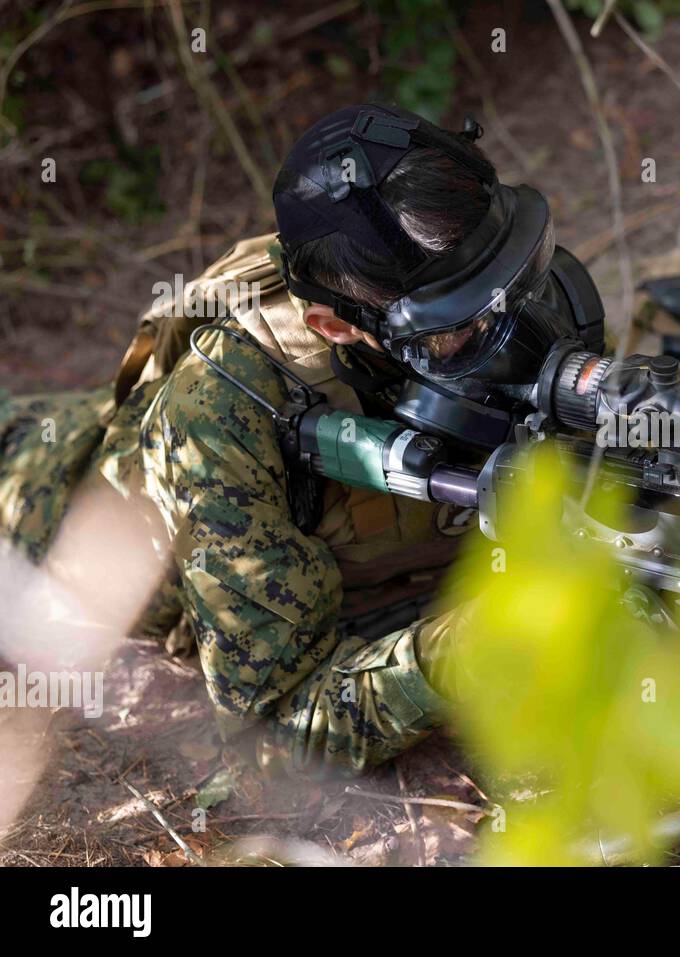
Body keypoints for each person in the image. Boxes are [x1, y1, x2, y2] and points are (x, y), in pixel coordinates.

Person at [0, 103, 605, 775]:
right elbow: (275, 730)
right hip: (50, 498)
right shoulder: (220, 420)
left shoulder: (477, 289)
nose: (515, 328)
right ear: (336, 326)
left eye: (522, 274)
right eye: (462, 327)